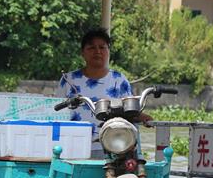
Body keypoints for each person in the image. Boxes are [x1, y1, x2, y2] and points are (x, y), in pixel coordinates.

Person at [59, 28, 148, 158]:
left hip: (113, 144)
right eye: (91, 48)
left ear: (108, 52)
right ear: (82, 53)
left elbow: (129, 110)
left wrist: (142, 116)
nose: (98, 51)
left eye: (102, 47)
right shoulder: (68, 80)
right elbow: (56, 112)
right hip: (74, 145)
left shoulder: (118, 79)